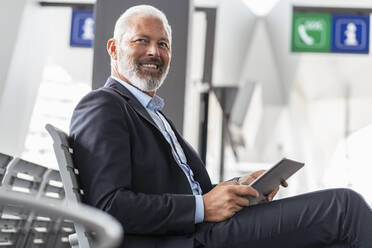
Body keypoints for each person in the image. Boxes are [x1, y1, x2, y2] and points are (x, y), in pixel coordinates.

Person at [69, 5, 372, 248]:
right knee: (344, 208)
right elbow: (108, 205)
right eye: (141, 41)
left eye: (163, 44)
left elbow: (190, 191)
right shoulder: (103, 106)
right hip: (187, 238)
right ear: (113, 49)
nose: (154, 52)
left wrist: (239, 189)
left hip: (202, 231)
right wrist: (202, 207)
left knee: (334, 235)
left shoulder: (153, 114)